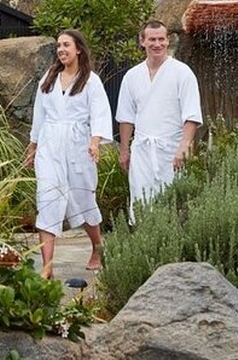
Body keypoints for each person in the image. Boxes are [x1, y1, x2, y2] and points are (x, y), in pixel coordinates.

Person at [23, 29, 113, 279]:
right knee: (47, 200)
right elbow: (39, 116)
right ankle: (47, 267)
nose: (61, 49)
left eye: (66, 45)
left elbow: (100, 114)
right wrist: (33, 146)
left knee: (83, 201)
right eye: (59, 46)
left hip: (78, 147)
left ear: (78, 49)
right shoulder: (48, 79)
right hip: (50, 146)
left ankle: (97, 247)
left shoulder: (90, 80)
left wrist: (95, 142)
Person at [115, 20, 202, 225]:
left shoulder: (182, 72)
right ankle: (146, 250)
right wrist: (124, 150)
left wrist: (184, 146)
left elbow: (191, 114)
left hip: (172, 150)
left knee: (174, 204)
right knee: (141, 202)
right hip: (143, 151)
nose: (157, 44)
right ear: (142, 41)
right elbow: (126, 117)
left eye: (161, 39)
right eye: (152, 39)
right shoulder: (132, 76)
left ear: (167, 41)